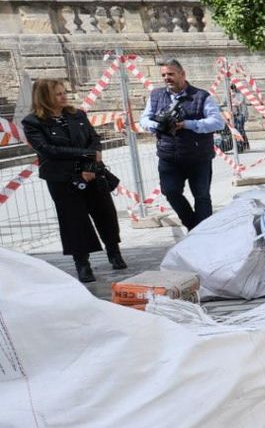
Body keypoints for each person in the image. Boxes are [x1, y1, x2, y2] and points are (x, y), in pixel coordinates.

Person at [21, 78, 126, 282]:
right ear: (45, 97)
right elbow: (48, 150)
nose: (63, 97)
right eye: (58, 94)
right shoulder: (33, 122)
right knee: (74, 221)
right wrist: (86, 154)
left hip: (91, 172)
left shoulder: (77, 114)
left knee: (105, 213)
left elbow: (94, 139)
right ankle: (82, 263)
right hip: (63, 178)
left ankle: (114, 252)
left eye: (64, 93)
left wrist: (90, 164)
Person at [139, 59, 222, 230]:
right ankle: (193, 226)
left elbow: (217, 122)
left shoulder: (201, 96)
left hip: (198, 156)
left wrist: (187, 124)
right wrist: (159, 125)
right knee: (170, 191)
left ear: (182, 74)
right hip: (169, 156)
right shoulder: (156, 95)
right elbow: (144, 120)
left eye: (170, 74)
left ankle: (206, 233)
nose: (166, 78)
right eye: (163, 75)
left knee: (202, 196)